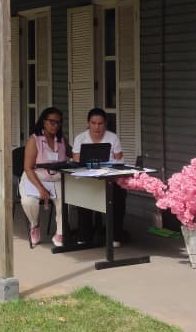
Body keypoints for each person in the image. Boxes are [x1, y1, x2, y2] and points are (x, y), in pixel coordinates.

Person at [71, 107, 127, 247]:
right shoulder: (80, 138)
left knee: (119, 194)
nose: (97, 127)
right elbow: (77, 159)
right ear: (88, 123)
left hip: (108, 177)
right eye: (93, 123)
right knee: (83, 196)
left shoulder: (112, 137)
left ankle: (115, 235)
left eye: (100, 123)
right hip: (86, 179)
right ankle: (85, 235)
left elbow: (119, 159)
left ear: (105, 123)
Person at [19, 106, 71, 249]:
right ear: (44, 122)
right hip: (35, 177)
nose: (56, 125)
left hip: (56, 178)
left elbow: (73, 154)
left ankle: (60, 233)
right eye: (52, 122)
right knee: (29, 201)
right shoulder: (34, 140)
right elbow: (28, 168)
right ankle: (35, 225)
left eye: (58, 122)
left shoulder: (61, 140)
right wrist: (41, 188)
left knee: (66, 200)